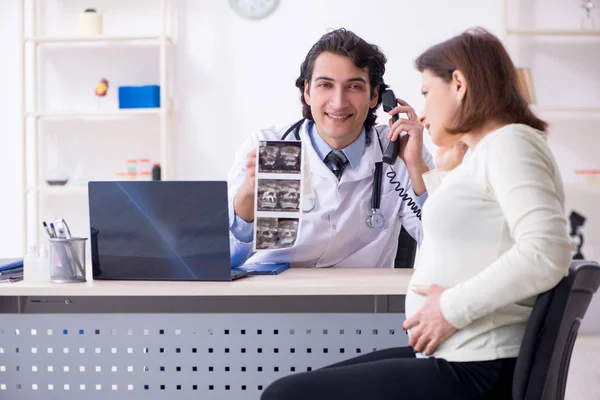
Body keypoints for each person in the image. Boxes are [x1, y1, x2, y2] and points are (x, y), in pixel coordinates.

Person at [260, 27, 572, 399]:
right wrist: (440, 165)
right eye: (325, 85)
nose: (421, 113)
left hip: (477, 361)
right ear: (307, 91)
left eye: (426, 92)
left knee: (285, 395)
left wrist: (450, 309)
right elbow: (468, 231)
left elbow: (546, 251)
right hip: (459, 350)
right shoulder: (485, 152)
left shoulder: (509, 142)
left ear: (458, 84)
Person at [228, 28, 434, 268]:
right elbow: (224, 260)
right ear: (307, 91)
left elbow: (444, 248)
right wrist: (247, 199)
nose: (338, 102)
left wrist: (415, 166)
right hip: (274, 300)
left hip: (360, 301)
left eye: (354, 87)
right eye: (325, 85)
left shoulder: (400, 149)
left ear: (375, 96)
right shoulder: (269, 146)